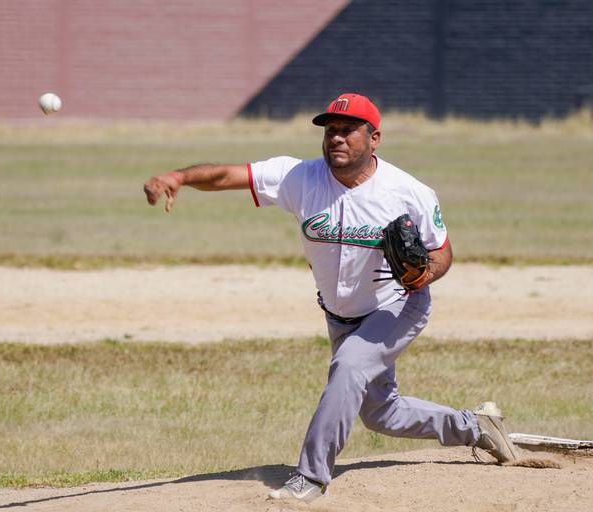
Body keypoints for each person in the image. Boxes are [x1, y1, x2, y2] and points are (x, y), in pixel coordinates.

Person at [143, 93, 520, 503]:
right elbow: (229, 175)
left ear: (374, 138)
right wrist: (179, 177)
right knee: (381, 413)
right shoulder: (299, 178)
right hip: (341, 315)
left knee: (348, 367)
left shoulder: (407, 191)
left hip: (397, 304)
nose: (336, 138)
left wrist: (424, 274)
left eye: (348, 130)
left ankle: (311, 477)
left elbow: (442, 252)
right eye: (330, 130)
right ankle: (477, 427)